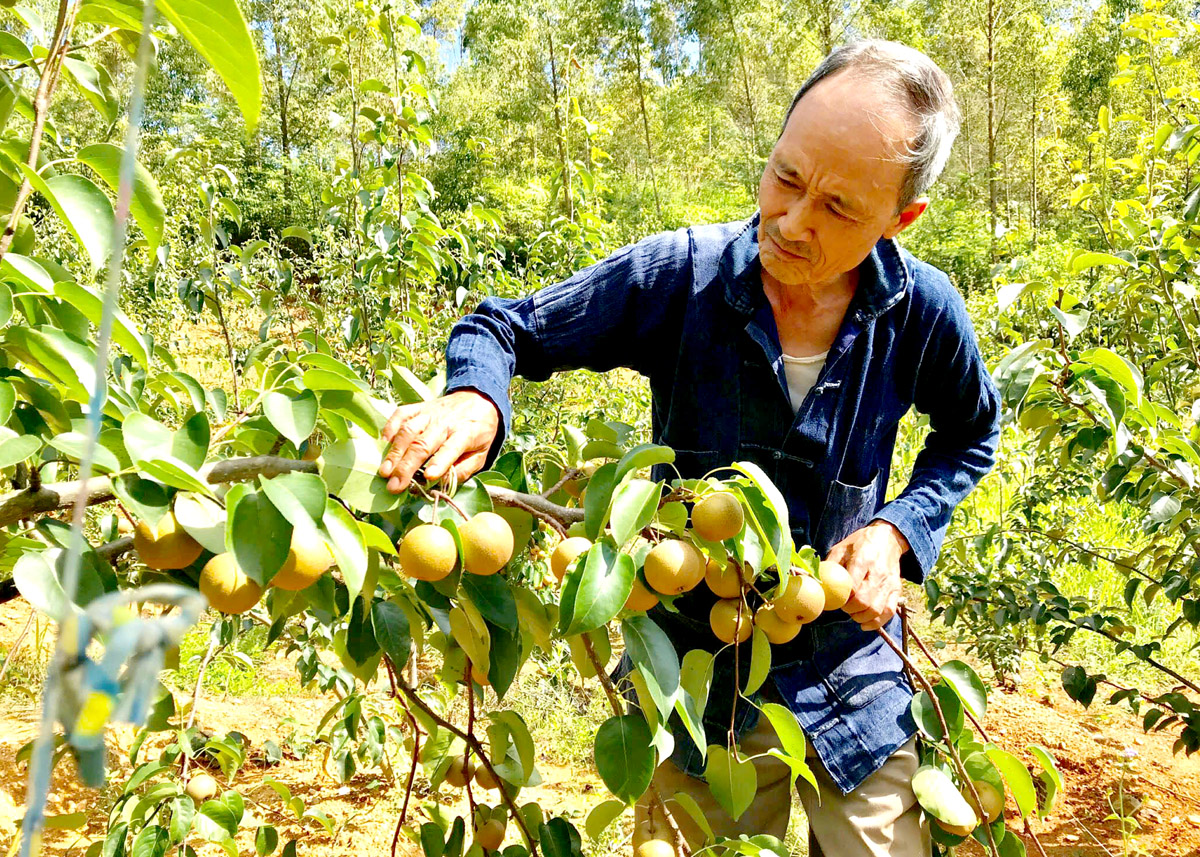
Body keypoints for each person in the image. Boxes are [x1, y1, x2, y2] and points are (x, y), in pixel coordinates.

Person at [378, 40, 1000, 857]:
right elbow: (503, 327)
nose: (792, 220)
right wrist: (474, 395)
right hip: (698, 680)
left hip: (852, 673)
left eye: (839, 209)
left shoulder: (920, 311)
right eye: (785, 177)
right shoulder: (682, 277)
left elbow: (970, 432)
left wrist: (896, 528)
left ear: (899, 220)